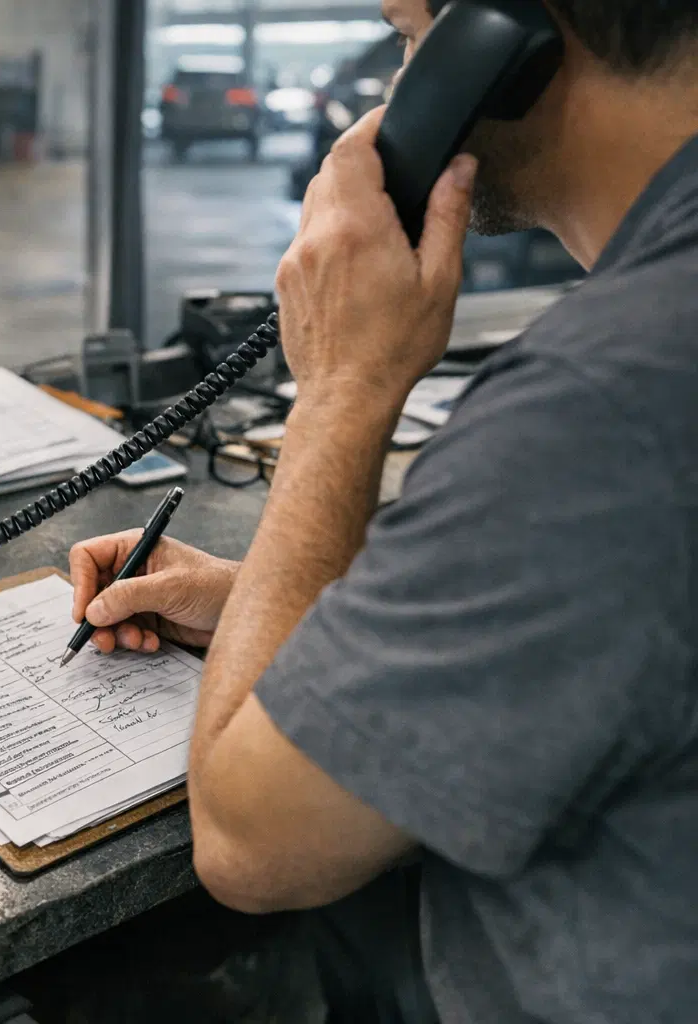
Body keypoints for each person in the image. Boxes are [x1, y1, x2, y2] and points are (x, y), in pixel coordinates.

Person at [69, 1, 698, 1021]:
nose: (396, 103)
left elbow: (250, 846)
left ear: (502, 43)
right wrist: (291, 605)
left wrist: (343, 384)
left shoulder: (604, 399)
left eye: (412, 42)